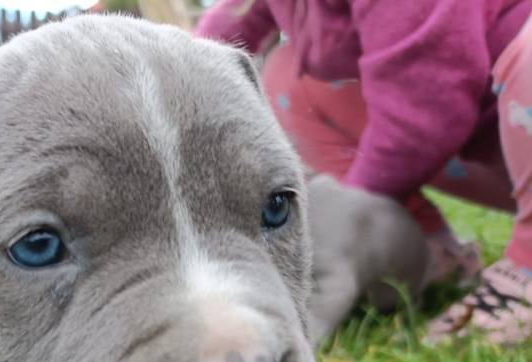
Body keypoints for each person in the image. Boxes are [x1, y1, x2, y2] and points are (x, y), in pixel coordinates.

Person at [195, 0, 532, 344]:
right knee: (288, 80)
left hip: (489, 111)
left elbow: (426, 112)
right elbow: (222, 32)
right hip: (496, 154)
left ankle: (527, 272)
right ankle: (426, 255)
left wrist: (349, 213)